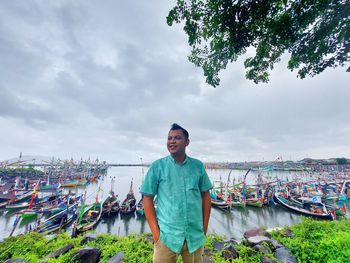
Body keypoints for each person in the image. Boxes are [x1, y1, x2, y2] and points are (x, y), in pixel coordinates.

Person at [140, 123, 212, 263]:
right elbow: (147, 198)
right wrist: (156, 235)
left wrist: (204, 229)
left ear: (187, 142)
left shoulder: (197, 166)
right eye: (169, 138)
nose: (172, 141)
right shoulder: (157, 167)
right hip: (167, 236)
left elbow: (205, 196)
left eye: (177, 138)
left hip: (194, 235)